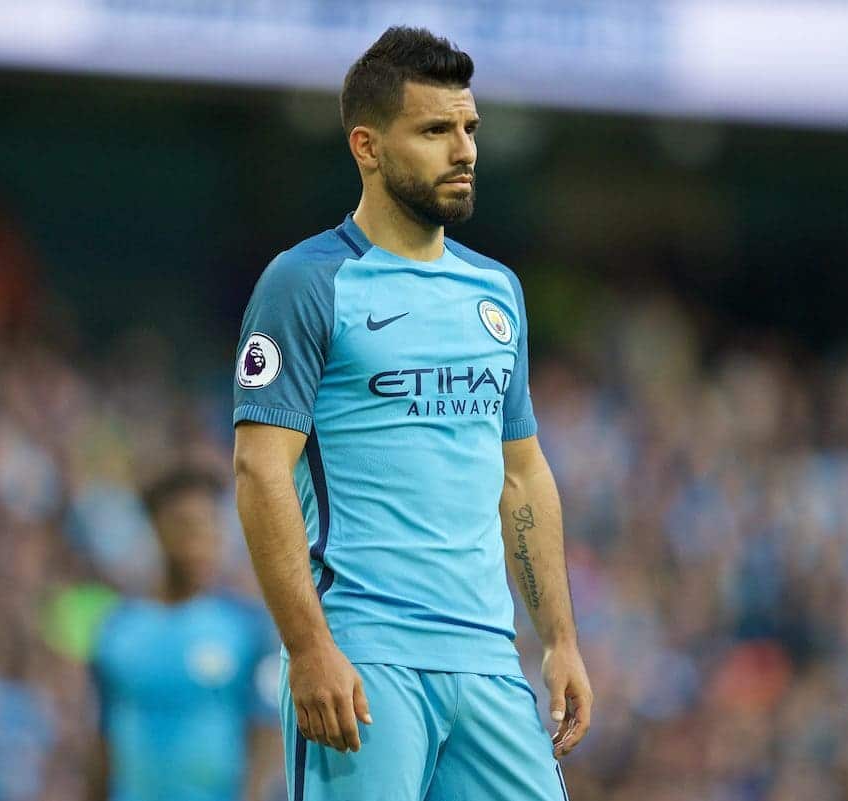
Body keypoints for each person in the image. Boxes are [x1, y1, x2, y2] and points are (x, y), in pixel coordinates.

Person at [231, 25, 593, 801]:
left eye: (469, 129)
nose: (463, 149)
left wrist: (559, 639)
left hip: (489, 661)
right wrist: (308, 648)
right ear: (367, 146)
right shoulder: (307, 282)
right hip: (365, 656)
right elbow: (260, 467)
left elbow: (521, 475)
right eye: (435, 130)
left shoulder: (496, 291)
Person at [88, 468, 280, 801]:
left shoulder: (247, 627)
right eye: (185, 525)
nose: (199, 541)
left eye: (208, 525)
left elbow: (265, 732)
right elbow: (104, 737)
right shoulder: (117, 630)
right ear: (155, 528)